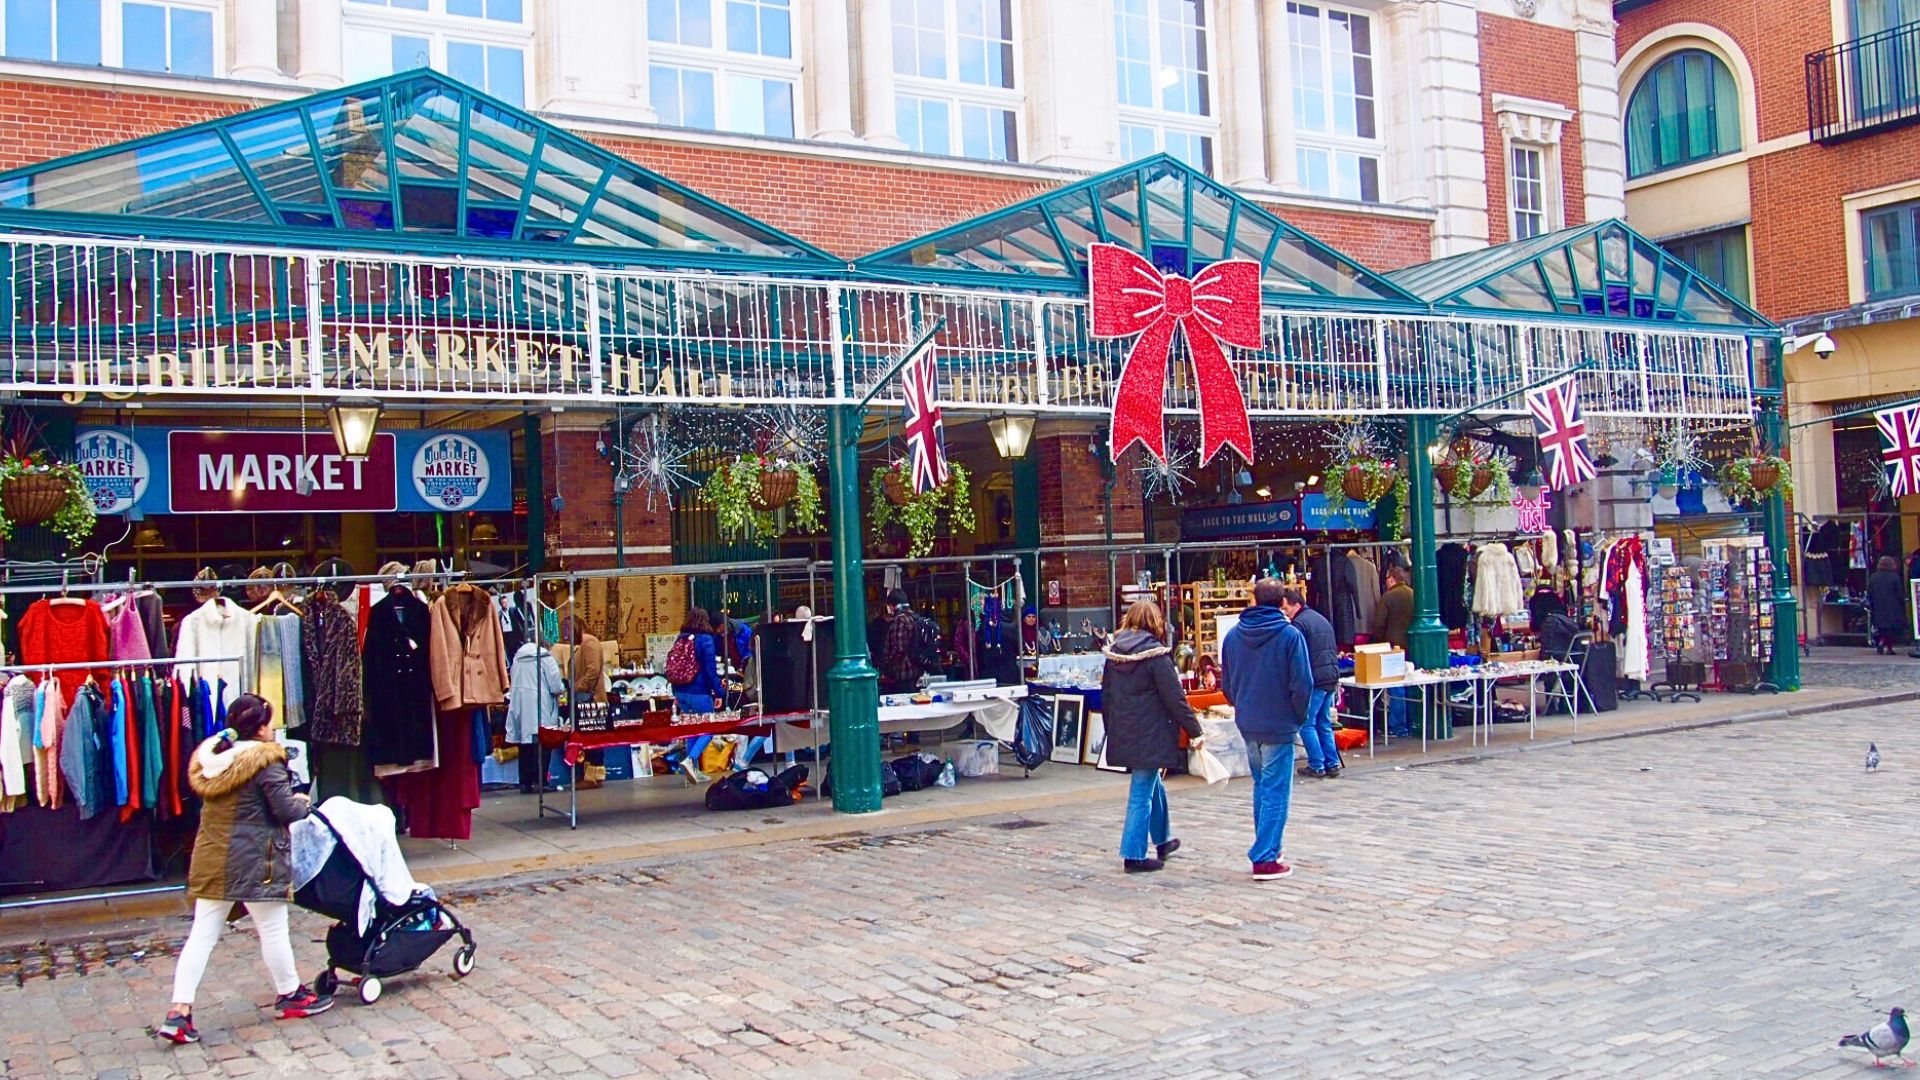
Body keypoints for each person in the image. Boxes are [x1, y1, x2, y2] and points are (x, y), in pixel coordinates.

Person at [156, 694, 330, 1045]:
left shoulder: (215, 758)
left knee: (202, 935)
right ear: (262, 727)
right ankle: (290, 993)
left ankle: (179, 1011)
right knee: (273, 928)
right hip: (256, 860)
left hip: (212, 856)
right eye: (269, 721)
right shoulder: (266, 761)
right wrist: (304, 803)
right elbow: (285, 811)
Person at [1101, 600, 1206, 874]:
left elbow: (1106, 697)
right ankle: (1133, 854)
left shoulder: (1113, 656)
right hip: (1151, 731)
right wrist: (1195, 730)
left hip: (1125, 729)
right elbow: (1175, 698)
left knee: (1151, 782)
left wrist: (1111, 730)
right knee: (1141, 791)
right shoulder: (1155, 655)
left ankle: (1163, 839)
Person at [1220, 578, 1313, 881]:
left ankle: (1269, 846)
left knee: (1262, 786)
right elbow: (1302, 683)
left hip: (1249, 721)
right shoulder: (1289, 635)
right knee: (1275, 790)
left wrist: (1242, 706)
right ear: (1282, 601)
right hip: (1278, 721)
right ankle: (1265, 856)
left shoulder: (1234, 636)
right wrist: (1296, 717)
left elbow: (1228, 683)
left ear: (1255, 599)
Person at [1278, 586, 1342, 779]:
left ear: (1296, 605)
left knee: (1307, 724)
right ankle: (1332, 763)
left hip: (1315, 678)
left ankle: (1316, 764)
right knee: (1323, 722)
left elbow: (1297, 656)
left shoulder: (1299, 625)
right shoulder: (1319, 619)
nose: (1285, 613)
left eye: (1286, 609)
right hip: (1330, 675)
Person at [1370, 563, 1416, 737]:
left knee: (1396, 686)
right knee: (1410, 683)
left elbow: (1379, 624)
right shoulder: (1413, 594)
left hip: (1392, 647)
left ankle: (1397, 726)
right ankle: (1411, 722)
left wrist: (1378, 641)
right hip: (1411, 645)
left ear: (1391, 579)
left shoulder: (1388, 598)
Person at [668, 607, 725, 713]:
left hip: (680, 694)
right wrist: (719, 693)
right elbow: (710, 671)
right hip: (700, 693)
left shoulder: (681, 639)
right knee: (705, 727)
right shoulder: (705, 640)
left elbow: (675, 667)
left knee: (688, 728)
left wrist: (675, 692)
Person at [876, 590, 923, 695]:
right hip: (918, 669)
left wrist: (887, 662)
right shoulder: (915, 617)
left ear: (893, 605)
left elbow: (899, 648)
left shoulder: (899, 620)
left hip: (904, 672)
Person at [1868, 555, 1908, 655]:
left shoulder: (1873, 577)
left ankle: (1881, 642)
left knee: (1882, 628)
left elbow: (1869, 592)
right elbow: (1899, 593)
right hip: (1892, 606)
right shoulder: (1894, 577)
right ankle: (1888, 647)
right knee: (1891, 628)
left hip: (1878, 606)